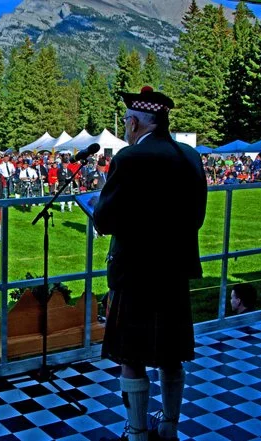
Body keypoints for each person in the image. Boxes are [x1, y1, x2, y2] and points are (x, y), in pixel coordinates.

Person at [94, 86, 207, 441]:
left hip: (135, 273)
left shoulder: (129, 158)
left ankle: (137, 431)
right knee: (171, 354)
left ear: (135, 123)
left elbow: (104, 220)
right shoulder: (190, 156)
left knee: (132, 355)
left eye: (128, 121)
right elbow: (197, 217)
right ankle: (169, 426)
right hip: (174, 271)